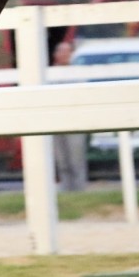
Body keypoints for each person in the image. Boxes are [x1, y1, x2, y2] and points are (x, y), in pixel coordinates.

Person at [50, 40, 88, 192]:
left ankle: (79, 190)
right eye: (61, 51)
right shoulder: (49, 73)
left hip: (74, 122)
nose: (65, 55)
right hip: (56, 123)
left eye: (67, 52)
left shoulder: (77, 73)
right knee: (62, 160)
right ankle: (66, 190)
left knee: (76, 159)